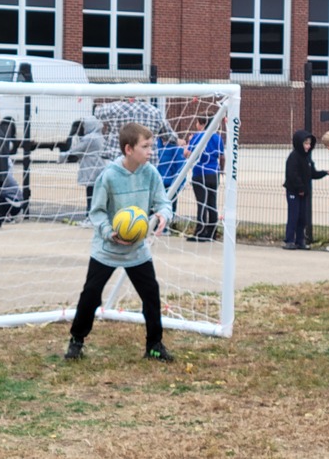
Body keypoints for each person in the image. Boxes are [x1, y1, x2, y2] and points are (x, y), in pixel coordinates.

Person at [64, 122, 175, 363]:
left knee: (151, 294)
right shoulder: (110, 176)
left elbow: (164, 203)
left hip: (137, 249)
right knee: (91, 295)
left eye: (151, 146)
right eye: (145, 146)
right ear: (128, 149)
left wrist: (162, 215)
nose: (150, 151)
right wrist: (108, 231)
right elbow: (97, 211)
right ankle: (76, 341)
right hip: (107, 248)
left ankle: (154, 345)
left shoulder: (151, 173)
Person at [59, 116, 111, 227]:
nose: (82, 129)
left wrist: (62, 157)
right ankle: (95, 218)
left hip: (91, 170)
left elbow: (75, 150)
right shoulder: (99, 136)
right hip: (99, 169)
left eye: (83, 126)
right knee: (96, 196)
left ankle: (90, 218)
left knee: (91, 195)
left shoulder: (89, 138)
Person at [94, 99, 180, 166]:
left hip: (119, 160)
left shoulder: (115, 108)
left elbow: (97, 112)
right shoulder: (155, 112)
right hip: (148, 161)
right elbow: (170, 136)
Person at [282, 130, 328, 250]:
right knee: (294, 215)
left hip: (304, 192)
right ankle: (289, 240)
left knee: (302, 216)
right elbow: (292, 175)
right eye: (305, 143)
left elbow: (312, 173)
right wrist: (300, 188)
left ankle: (300, 240)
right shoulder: (293, 157)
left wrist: (324, 173)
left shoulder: (307, 158)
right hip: (294, 191)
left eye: (309, 143)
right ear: (299, 143)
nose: (308, 146)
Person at [184, 115, 224, 242]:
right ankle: (212, 232)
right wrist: (221, 170)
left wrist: (189, 142)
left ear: (201, 123)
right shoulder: (217, 138)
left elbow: (187, 154)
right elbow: (222, 156)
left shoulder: (197, 137)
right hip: (213, 173)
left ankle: (200, 232)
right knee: (212, 203)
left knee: (202, 203)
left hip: (199, 173)